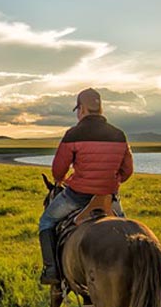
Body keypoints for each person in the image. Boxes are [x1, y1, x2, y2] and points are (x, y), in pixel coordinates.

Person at [38, 88, 134, 285]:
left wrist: (64, 179)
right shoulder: (119, 135)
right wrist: (111, 182)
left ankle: (52, 271)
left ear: (81, 109)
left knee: (46, 222)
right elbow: (128, 171)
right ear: (100, 109)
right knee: (130, 233)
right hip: (108, 198)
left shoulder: (73, 134)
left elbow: (58, 171)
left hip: (76, 197)